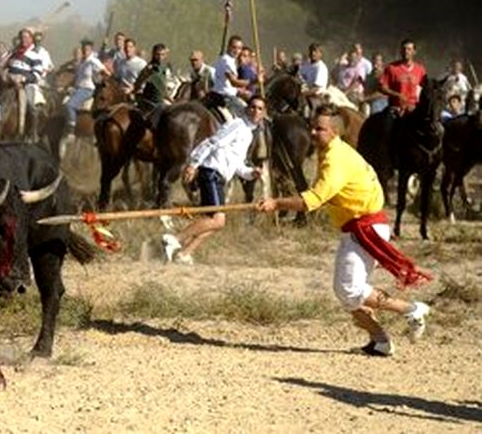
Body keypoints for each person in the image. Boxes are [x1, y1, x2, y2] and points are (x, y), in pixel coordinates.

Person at [257, 104, 431, 356]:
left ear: (335, 132)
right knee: (347, 292)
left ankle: (412, 310)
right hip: (360, 227)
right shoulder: (331, 151)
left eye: (320, 129)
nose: (313, 133)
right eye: (312, 127)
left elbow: (311, 202)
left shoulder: (335, 160)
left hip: (365, 228)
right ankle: (380, 341)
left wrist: (276, 203)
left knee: (348, 290)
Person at [161, 96, 266, 264]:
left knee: (214, 222)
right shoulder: (238, 125)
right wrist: (193, 164)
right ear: (247, 109)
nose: (255, 111)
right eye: (253, 107)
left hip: (219, 177)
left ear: (263, 113)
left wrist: (251, 173)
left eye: (260, 108)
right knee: (218, 220)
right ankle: (174, 239)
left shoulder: (248, 134)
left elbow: (237, 164)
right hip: (211, 173)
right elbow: (212, 142)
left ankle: (184, 254)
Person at [5, 28, 48, 141]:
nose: (23, 40)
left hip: (27, 85)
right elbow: (5, 67)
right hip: (10, 83)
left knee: (31, 105)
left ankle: (32, 133)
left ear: (31, 39)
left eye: (26, 37)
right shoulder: (14, 53)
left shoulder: (35, 55)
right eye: (21, 37)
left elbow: (37, 74)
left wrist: (23, 78)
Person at [65, 39, 109, 136]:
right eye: (83, 49)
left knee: (70, 105)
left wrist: (101, 80)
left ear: (91, 49)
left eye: (87, 49)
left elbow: (105, 72)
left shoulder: (93, 61)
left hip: (87, 89)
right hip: (77, 88)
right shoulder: (82, 62)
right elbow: (77, 77)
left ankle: (71, 130)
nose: (85, 51)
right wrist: (67, 86)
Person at [380, 39, 427, 114]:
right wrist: (397, 95)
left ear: (414, 52)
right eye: (404, 49)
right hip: (395, 109)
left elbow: (426, 89)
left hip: (414, 109)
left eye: (409, 49)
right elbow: (382, 88)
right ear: (400, 51)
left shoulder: (420, 69)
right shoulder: (391, 68)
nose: (406, 51)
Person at [212, 35, 250, 115]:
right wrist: (254, 81)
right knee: (248, 114)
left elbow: (226, 84)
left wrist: (239, 91)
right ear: (229, 47)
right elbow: (234, 82)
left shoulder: (228, 60)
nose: (237, 51)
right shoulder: (226, 61)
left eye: (239, 48)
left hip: (222, 93)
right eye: (234, 47)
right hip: (225, 97)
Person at [134, 43, 172, 115]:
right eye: (158, 54)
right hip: (149, 103)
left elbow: (169, 84)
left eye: (162, 55)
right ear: (153, 54)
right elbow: (138, 84)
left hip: (162, 101)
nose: (160, 57)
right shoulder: (149, 68)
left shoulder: (166, 68)